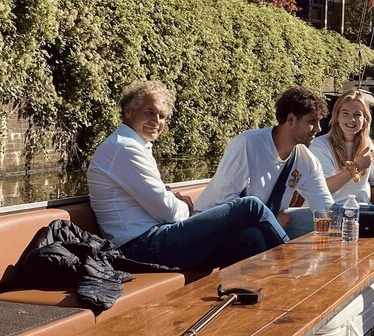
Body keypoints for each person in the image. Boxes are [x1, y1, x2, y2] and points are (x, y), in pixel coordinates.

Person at [88, 81, 288, 271]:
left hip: (152, 241)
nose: (157, 121)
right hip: (141, 247)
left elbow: (158, 203)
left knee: (251, 238)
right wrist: (185, 207)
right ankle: (295, 262)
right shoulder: (123, 148)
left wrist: (175, 202)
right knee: (250, 206)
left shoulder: (132, 146)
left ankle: (259, 298)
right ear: (128, 111)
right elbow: (168, 211)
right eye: (150, 113)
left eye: (162, 116)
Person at [195, 86, 334, 238]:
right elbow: (223, 202)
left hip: (264, 223)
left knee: (321, 221)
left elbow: (325, 207)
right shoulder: (248, 144)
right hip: (214, 227)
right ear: (291, 119)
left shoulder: (306, 160)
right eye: (312, 121)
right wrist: (269, 218)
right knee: (253, 236)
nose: (318, 128)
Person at [309, 89, 374, 204]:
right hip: (333, 211)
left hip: (363, 209)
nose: (351, 119)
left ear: (365, 119)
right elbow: (324, 187)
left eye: (357, 114)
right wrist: (356, 166)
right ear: (337, 116)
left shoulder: (367, 144)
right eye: (345, 113)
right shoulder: (321, 145)